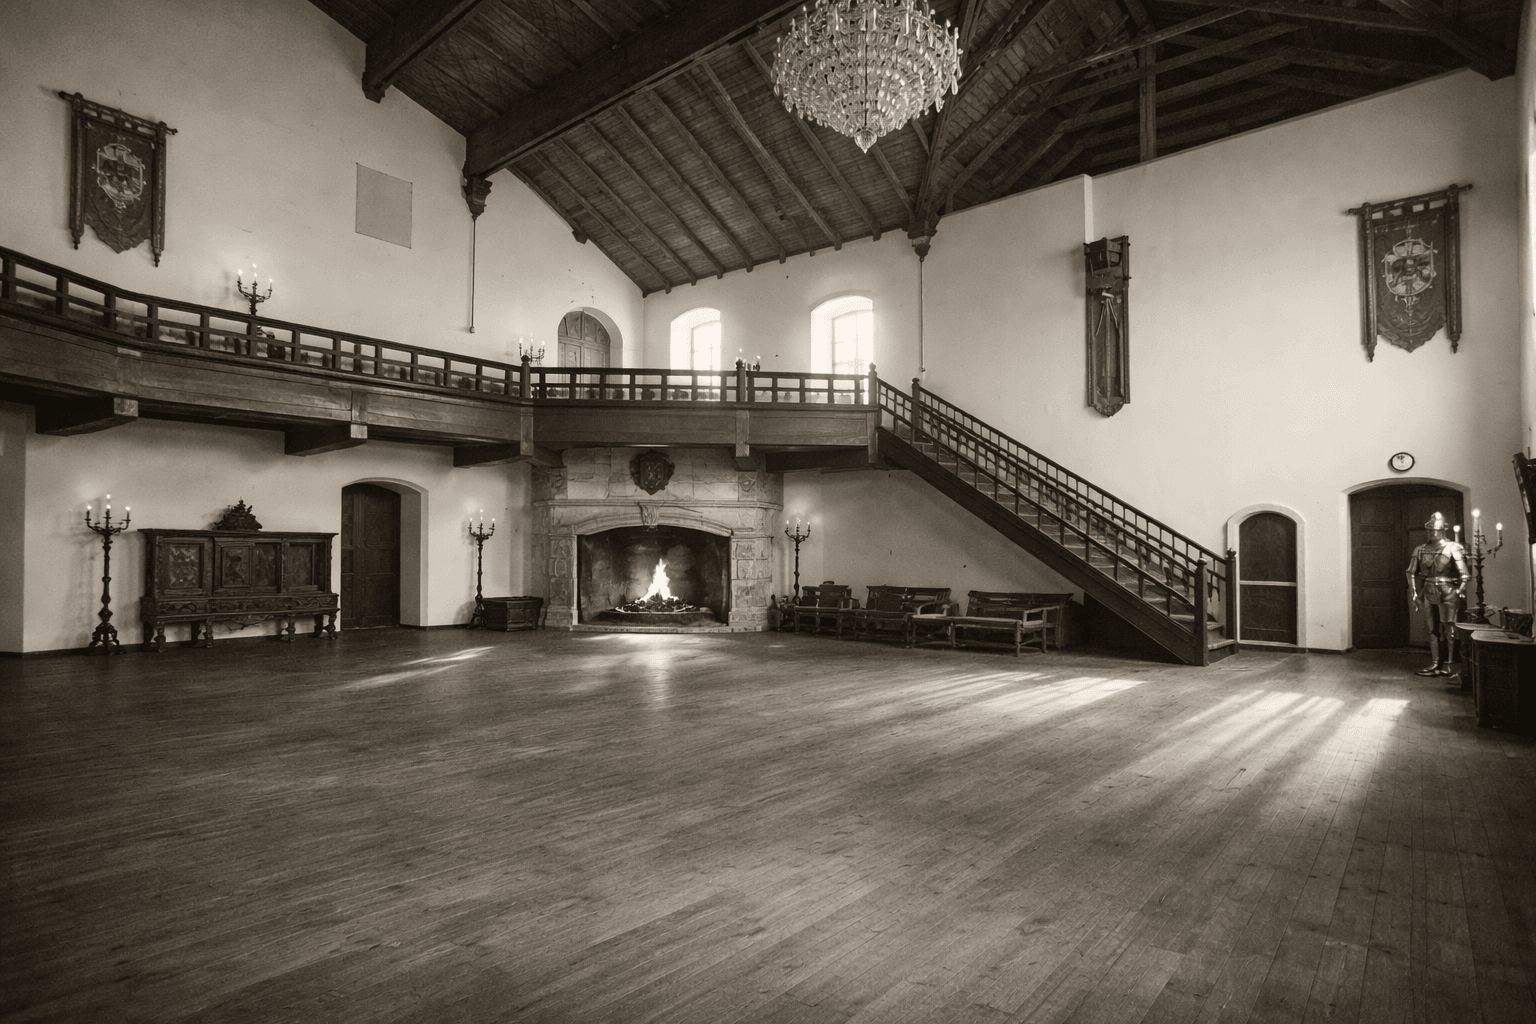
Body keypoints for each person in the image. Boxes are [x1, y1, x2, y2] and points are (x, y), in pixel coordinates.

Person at [1406, 511, 1471, 677]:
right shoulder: (1420, 549)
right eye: (1430, 531)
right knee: (1432, 629)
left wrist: (1459, 589)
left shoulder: (1452, 547)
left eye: (1435, 531)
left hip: (1448, 590)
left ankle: (1449, 663)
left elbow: (1464, 574)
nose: (1432, 534)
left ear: (1443, 530)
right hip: (1428, 589)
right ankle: (1435, 662)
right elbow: (1411, 572)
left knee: (1449, 629)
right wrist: (1414, 593)